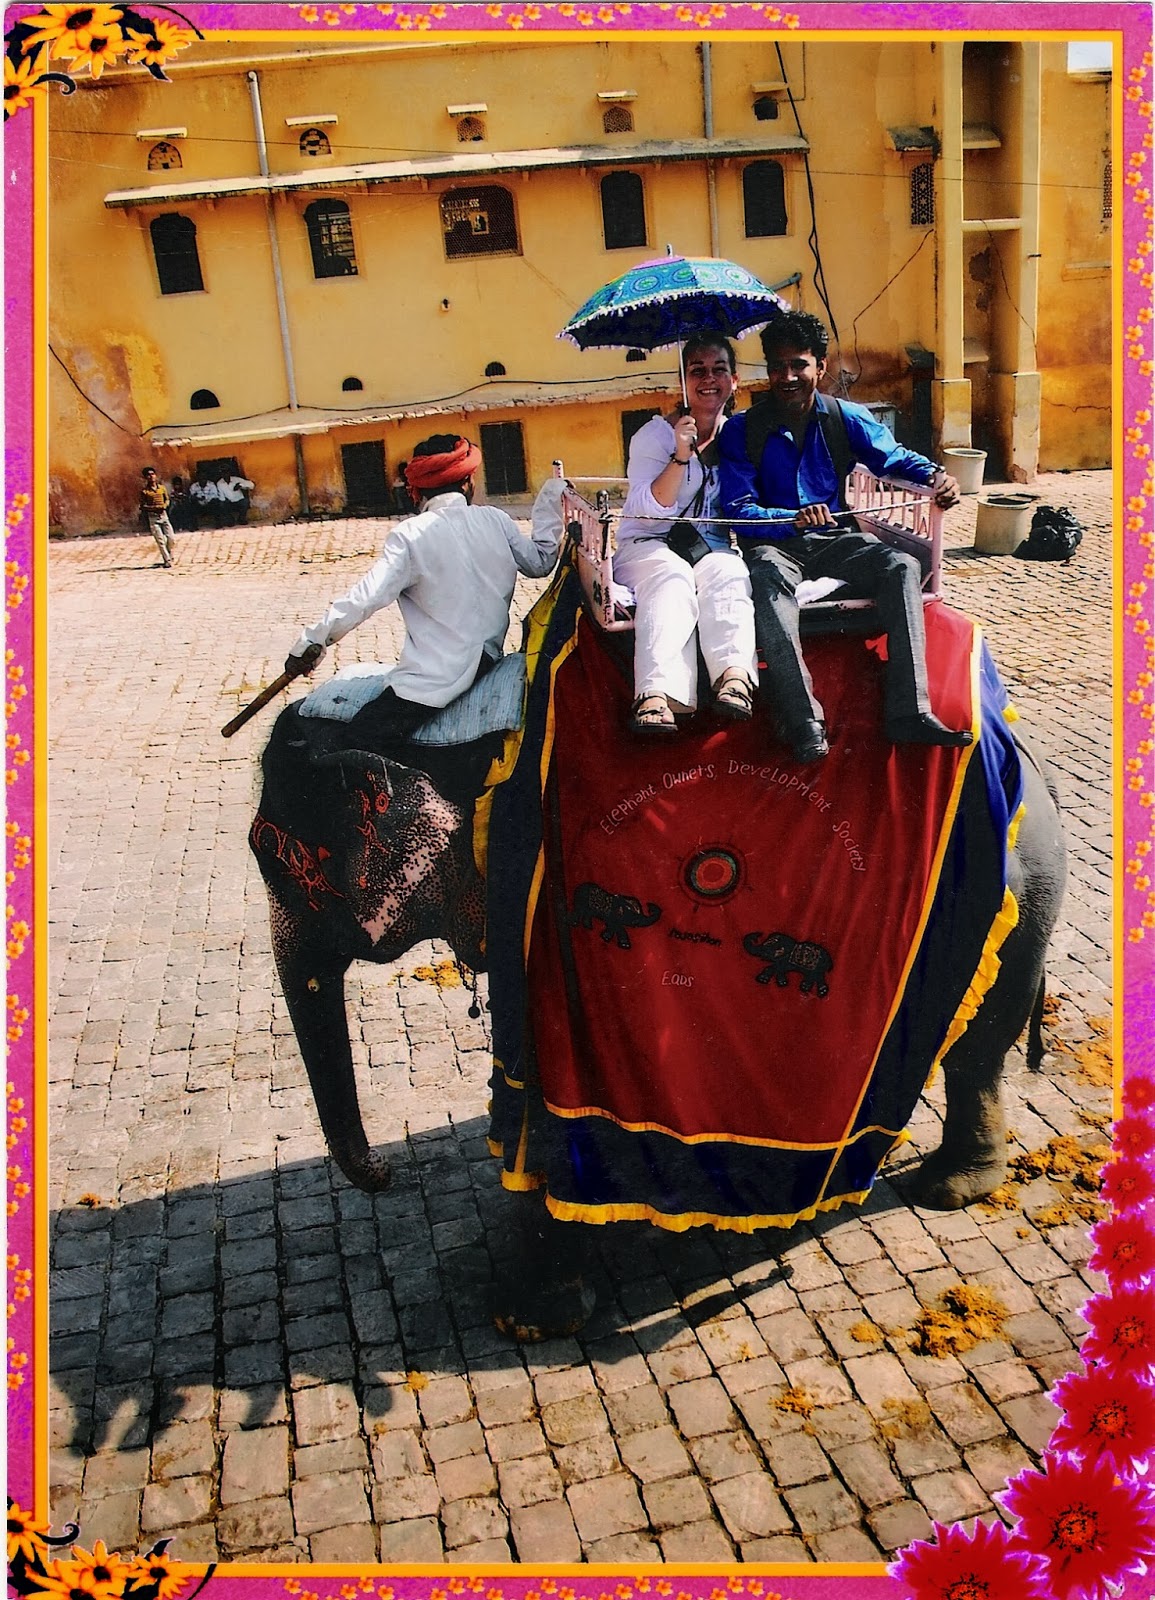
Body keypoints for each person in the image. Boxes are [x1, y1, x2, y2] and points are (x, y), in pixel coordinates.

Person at [718, 311, 971, 763]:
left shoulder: (843, 417)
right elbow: (738, 509)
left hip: (835, 539)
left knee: (901, 565)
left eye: (798, 365)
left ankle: (910, 711)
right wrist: (792, 518)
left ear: (820, 365)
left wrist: (937, 476)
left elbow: (892, 457)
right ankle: (802, 721)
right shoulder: (742, 429)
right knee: (766, 580)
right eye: (777, 367)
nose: (787, 377)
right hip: (774, 545)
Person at [284, 433, 565, 747]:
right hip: (489, 658)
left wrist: (311, 642)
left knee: (352, 746)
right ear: (468, 481)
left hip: (434, 680)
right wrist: (551, 501)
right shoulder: (496, 519)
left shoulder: (410, 535)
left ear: (415, 490)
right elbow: (540, 562)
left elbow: (365, 597)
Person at [613, 334, 759, 736]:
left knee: (729, 570)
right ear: (682, 380)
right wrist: (681, 454)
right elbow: (648, 511)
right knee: (671, 575)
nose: (708, 379)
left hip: (708, 548)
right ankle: (656, 695)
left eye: (719, 370)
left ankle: (733, 677)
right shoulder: (653, 436)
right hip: (647, 545)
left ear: (734, 380)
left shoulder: (738, 435)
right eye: (697, 371)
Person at [138, 467, 175, 567]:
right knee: (160, 540)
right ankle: (167, 560)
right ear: (145, 477)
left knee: (171, 538)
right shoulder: (145, 492)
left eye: (152, 474)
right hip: (153, 517)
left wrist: (164, 506)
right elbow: (142, 506)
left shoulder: (161, 488)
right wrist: (154, 508)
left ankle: (169, 553)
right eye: (148, 475)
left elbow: (167, 500)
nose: (151, 476)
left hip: (164, 515)